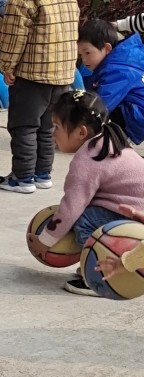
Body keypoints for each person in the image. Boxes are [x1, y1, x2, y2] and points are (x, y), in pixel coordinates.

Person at [35, 88, 144, 297]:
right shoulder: (109, 138)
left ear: (81, 132)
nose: (52, 132)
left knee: (83, 219)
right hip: (136, 209)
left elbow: (71, 208)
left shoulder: (88, 159)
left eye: (57, 126)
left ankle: (98, 275)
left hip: (136, 213)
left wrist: (44, 241)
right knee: (90, 212)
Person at [0, 0, 78, 194]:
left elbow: (14, 35)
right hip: (63, 73)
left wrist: (7, 66)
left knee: (23, 126)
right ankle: (43, 174)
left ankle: (22, 178)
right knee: (47, 127)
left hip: (32, 75)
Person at [77, 17, 144, 146]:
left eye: (87, 53)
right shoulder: (121, 58)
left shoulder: (118, 70)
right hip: (134, 111)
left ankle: (114, 146)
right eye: (81, 55)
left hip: (135, 117)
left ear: (107, 48)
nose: (84, 60)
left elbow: (101, 104)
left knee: (97, 117)